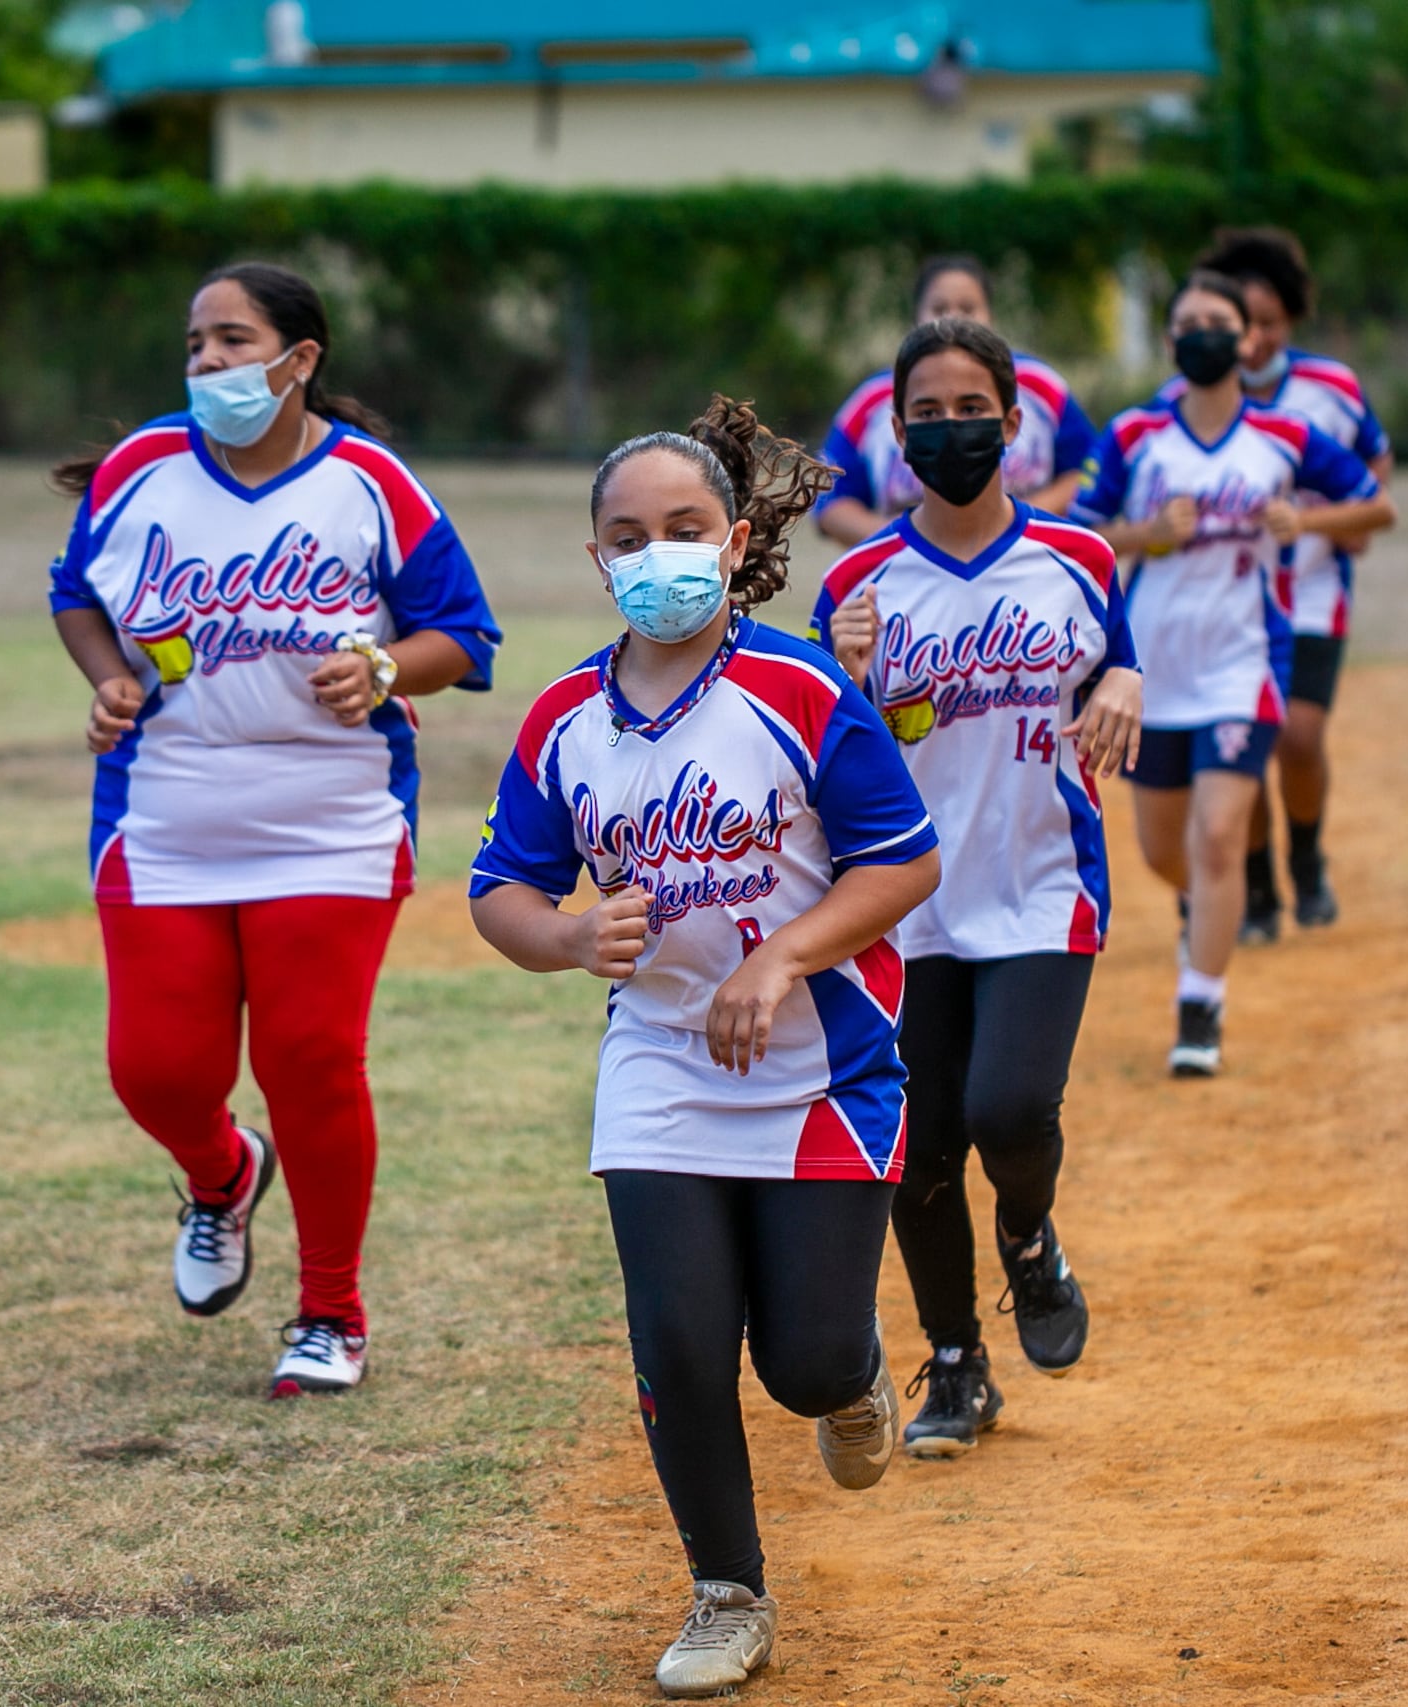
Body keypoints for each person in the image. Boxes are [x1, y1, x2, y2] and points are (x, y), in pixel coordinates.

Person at [471, 397, 940, 1698]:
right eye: (629, 535)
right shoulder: (565, 715)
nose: (657, 552)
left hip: (822, 1068)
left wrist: (783, 953)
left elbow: (903, 859)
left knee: (799, 1361)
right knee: (679, 1337)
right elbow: (502, 887)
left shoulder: (799, 688)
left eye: (684, 527)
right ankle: (727, 1589)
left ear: (734, 540)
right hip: (662, 1063)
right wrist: (568, 939)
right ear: (597, 561)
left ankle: (854, 1377)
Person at [46, 261, 500, 1399]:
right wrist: (107, 679)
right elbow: (75, 595)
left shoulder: (371, 484)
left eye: (232, 341)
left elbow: (464, 634)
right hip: (165, 810)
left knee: (306, 1058)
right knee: (156, 1071)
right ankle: (220, 1174)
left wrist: (386, 664)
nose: (207, 363)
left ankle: (330, 1314)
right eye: (195, 344)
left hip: (332, 814)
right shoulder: (140, 470)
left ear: (299, 361)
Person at [809, 319, 1142, 1457]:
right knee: (920, 1147)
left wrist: (1130, 685)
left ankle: (1033, 1242)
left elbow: (1121, 661)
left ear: (1014, 420)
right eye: (926, 414)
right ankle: (955, 1362)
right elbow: (822, 762)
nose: (950, 430)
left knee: (1008, 1109)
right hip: (906, 907)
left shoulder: (1078, 557)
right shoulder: (857, 583)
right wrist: (844, 671)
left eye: (970, 410)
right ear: (896, 435)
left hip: (1043, 882)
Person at [1070, 271, 1394, 1076]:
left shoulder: (1283, 436)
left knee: (1218, 837)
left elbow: (1375, 503)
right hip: (1149, 669)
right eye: (1188, 321)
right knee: (1160, 849)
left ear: (1247, 337)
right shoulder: (1135, 433)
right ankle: (1203, 912)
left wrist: (1307, 519)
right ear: (1171, 335)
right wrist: (1148, 532)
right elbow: (1078, 539)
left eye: (1220, 321)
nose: (1204, 334)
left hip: (1244, 661)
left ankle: (1200, 1007)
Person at [1189, 229, 1394, 941]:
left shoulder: (1329, 388)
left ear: (1291, 319)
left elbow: (1376, 459)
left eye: (1270, 322)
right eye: (1242, 323)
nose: (1254, 340)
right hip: (1229, 604)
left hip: (1308, 595)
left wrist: (1334, 523)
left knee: (1299, 738)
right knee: (1239, 745)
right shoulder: (1191, 396)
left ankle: (1306, 860)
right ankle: (1257, 890)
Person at [813, 255, 1098, 548]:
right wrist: (909, 540)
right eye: (939, 308)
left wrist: (1016, 526)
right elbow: (832, 503)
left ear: (990, 317)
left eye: (968, 308)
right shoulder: (870, 403)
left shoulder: (1041, 388)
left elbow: (1087, 471)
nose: (953, 318)